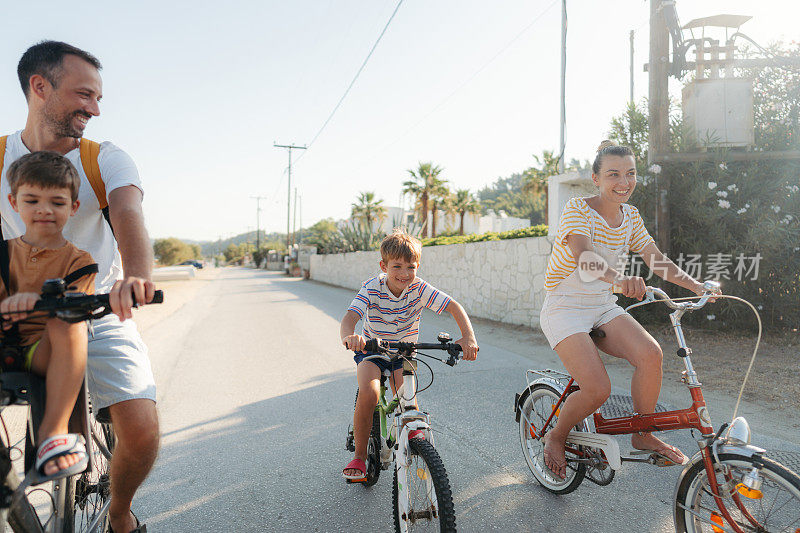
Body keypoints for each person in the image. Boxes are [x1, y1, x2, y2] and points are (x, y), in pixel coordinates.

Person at [1, 41, 157, 533]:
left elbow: (129, 214)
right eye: (84, 94)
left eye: (98, 99)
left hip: (100, 307)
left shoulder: (103, 158)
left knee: (140, 426)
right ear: (39, 87)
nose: (94, 108)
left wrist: (135, 278)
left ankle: (119, 511)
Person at [539, 140, 719, 480]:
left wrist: (698, 287)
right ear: (595, 178)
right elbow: (585, 258)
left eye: (630, 174)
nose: (624, 182)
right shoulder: (577, 209)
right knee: (597, 389)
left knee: (651, 355)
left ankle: (642, 432)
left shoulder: (631, 215)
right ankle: (556, 436)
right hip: (565, 308)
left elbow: (656, 260)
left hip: (602, 305)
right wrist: (620, 281)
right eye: (613, 174)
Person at [340, 228, 479, 480]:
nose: (404, 274)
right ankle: (359, 456)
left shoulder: (419, 288)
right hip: (372, 351)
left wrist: (468, 337)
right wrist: (351, 337)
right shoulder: (372, 288)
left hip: (403, 352)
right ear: (384, 265)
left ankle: (411, 433)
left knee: (407, 399)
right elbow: (350, 317)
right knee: (369, 393)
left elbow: (453, 306)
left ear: (418, 266)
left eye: (410, 267)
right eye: (397, 267)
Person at [0, 151, 96, 479]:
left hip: (42, 351)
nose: (44, 210)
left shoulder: (79, 261)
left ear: (73, 207)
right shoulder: (2, 252)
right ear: (14, 202)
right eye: (32, 200)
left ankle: (52, 435)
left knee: (67, 319)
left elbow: (77, 303)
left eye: (56, 202)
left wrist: (37, 300)